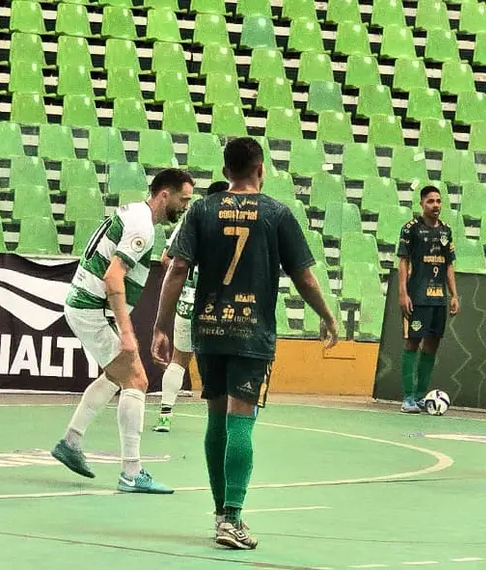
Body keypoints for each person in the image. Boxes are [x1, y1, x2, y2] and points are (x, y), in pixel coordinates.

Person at [151, 138, 338, 550]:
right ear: (260, 169)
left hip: (210, 328)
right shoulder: (275, 212)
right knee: (241, 420)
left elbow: (177, 267)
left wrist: (161, 325)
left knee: (216, 419)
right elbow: (303, 275)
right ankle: (233, 518)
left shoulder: (201, 209)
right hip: (252, 332)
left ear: (226, 169)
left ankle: (220, 514)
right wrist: (326, 314)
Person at [51, 168, 194, 494]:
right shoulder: (143, 225)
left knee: (116, 376)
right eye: (183, 200)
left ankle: (70, 441)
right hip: (91, 310)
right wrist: (127, 334)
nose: (185, 207)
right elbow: (114, 278)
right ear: (164, 195)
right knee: (137, 381)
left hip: (85, 305)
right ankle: (131, 472)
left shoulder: (134, 212)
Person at [154, 181, 230, 433]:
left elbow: (167, 259)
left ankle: (165, 415)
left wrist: (186, 277)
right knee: (221, 363)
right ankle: (222, 421)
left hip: (188, 302)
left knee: (178, 360)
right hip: (220, 304)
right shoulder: (235, 223)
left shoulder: (190, 220)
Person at [397, 186, 459, 414]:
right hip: (417, 296)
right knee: (412, 341)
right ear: (422, 204)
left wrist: (454, 295)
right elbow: (403, 261)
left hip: (438, 298)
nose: (435, 205)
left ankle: (422, 396)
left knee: (433, 343)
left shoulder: (446, 231)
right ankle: (407, 398)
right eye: (431, 201)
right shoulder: (410, 229)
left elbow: (449, 263)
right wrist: (403, 293)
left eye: (438, 201)